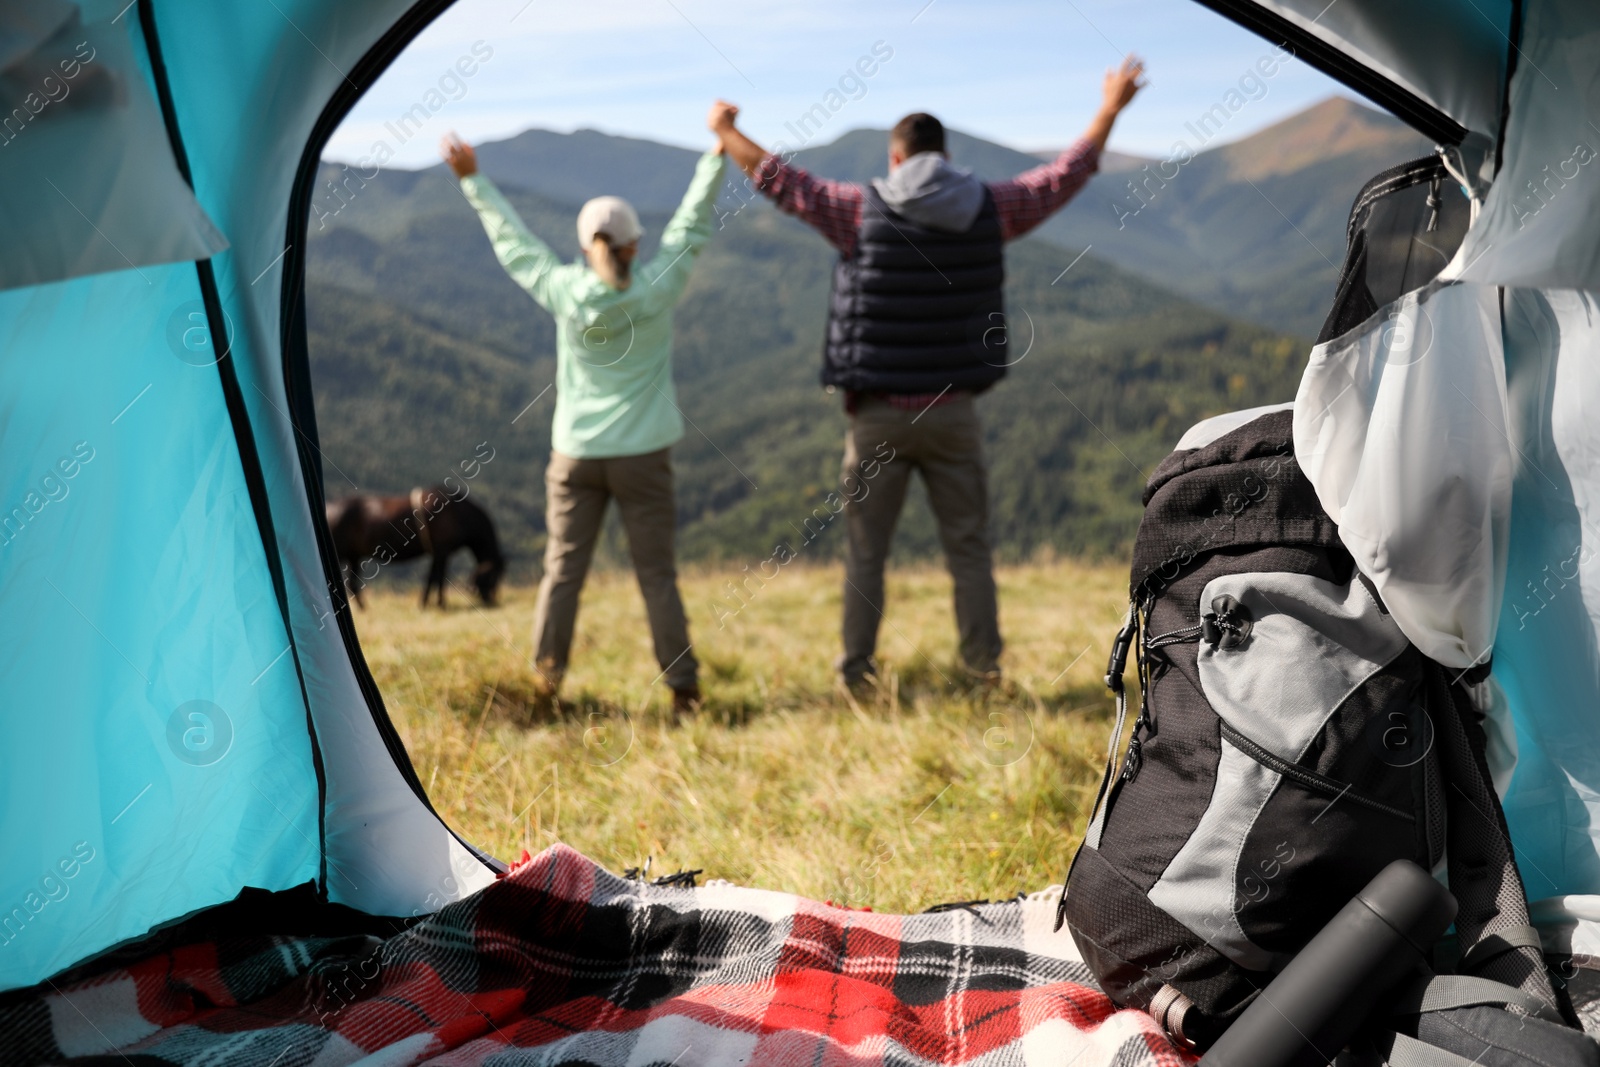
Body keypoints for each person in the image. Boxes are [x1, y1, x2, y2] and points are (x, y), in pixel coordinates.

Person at [708, 57, 1146, 692]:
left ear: (895, 158)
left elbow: (784, 182)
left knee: (866, 553)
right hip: (954, 414)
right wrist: (1109, 109)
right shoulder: (992, 207)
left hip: (877, 415)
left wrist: (726, 132)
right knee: (968, 549)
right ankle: (983, 673)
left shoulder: (857, 210)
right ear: (944, 157)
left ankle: (857, 676)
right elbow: (1062, 178)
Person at [440, 117, 727, 714]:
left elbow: (513, 243)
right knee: (657, 577)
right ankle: (684, 691)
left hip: (575, 456)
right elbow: (693, 224)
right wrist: (718, 151)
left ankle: (547, 685)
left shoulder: (563, 291)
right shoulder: (657, 289)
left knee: (562, 574)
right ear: (633, 246)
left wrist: (474, 181)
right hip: (644, 458)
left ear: (584, 245)